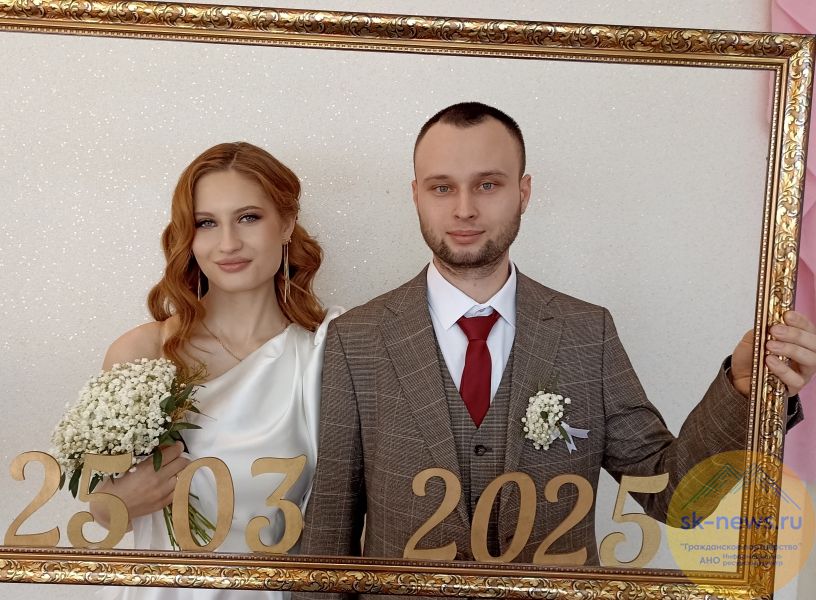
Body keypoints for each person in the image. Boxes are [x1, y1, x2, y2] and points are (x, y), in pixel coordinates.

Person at [298, 102, 815, 581]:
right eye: (441, 188)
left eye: (487, 185)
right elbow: (329, 532)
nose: (464, 209)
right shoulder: (355, 339)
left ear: (523, 192)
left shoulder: (588, 333)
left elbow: (678, 499)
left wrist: (743, 391)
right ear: (416, 194)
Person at [92, 141, 340, 599]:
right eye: (206, 223)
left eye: (248, 217)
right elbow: (104, 512)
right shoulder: (143, 352)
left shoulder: (328, 351)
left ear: (286, 223)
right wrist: (116, 502)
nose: (228, 243)